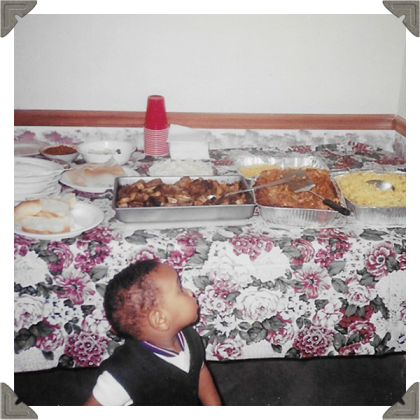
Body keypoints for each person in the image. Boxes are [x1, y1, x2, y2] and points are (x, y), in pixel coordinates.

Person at [84, 259, 222, 406]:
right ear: (160, 319)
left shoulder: (190, 337)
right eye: (180, 289)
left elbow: (199, 372)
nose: (190, 292)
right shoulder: (124, 373)